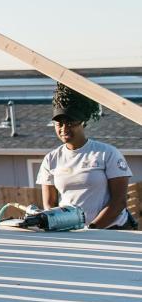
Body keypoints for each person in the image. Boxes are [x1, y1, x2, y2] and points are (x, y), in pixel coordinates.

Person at [37, 84, 136, 230]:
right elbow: (49, 204)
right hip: (72, 232)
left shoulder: (107, 153)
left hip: (111, 230)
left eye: (70, 123)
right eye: (59, 124)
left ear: (83, 123)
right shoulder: (51, 159)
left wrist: (92, 228)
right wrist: (55, 224)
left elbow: (119, 201)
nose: (64, 128)